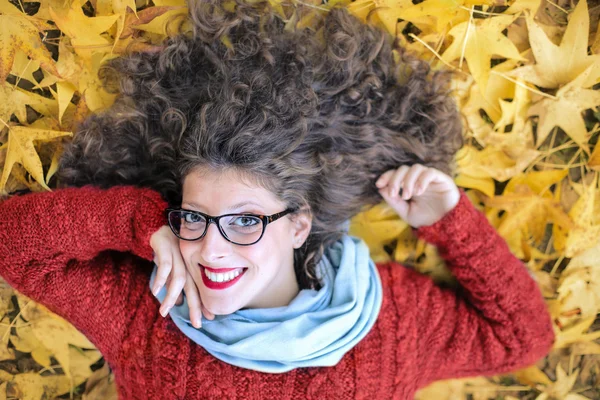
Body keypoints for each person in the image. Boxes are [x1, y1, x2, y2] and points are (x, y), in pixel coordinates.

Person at [0, 0, 555, 398]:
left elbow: (522, 339)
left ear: (298, 224)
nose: (212, 251)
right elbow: (10, 243)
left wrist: (451, 223)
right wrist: (137, 223)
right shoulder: (147, 313)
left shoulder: (391, 320)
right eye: (195, 218)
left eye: (245, 222)